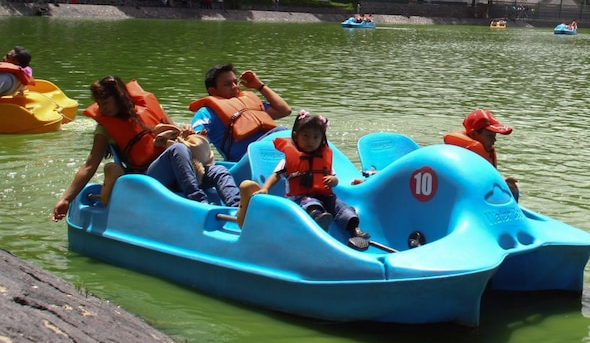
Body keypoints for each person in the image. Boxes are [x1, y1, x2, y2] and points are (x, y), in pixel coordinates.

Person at [52, 76, 242, 221]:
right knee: (178, 151)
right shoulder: (105, 127)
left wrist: (186, 132)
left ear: (119, 98)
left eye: (106, 103)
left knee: (218, 170)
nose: (102, 109)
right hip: (149, 177)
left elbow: (175, 133)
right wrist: (67, 199)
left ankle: (238, 209)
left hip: (181, 170)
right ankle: (198, 202)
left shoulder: (147, 108)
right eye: (100, 104)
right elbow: (90, 164)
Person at [256, 111, 371, 250]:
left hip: (324, 195)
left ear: (322, 139)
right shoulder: (289, 159)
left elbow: (334, 177)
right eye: (305, 136)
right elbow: (276, 175)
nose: (310, 141)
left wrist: (333, 180)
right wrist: (265, 188)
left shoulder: (323, 157)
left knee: (341, 206)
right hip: (299, 197)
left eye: (315, 137)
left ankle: (354, 229)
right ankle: (319, 218)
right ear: (295, 136)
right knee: (311, 203)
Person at [189, 63, 292, 162]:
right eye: (227, 84)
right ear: (213, 91)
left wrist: (259, 86)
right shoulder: (206, 112)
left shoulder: (249, 104)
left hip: (274, 146)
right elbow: (195, 139)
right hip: (248, 160)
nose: (235, 87)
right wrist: (194, 135)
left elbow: (284, 110)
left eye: (235, 82)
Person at [443, 109, 520, 201]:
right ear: (474, 134)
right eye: (489, 136)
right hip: (465, 201)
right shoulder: (461, 157)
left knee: (511, 188)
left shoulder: (480, 152)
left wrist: (503, 179)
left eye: (494, 136)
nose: (494, 140)